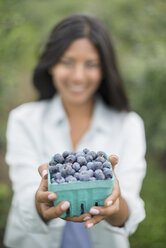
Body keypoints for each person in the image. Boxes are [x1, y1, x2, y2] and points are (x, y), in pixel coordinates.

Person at [4, 14, 146, 248]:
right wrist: (40, 204)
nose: (78, 76)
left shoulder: (128, 124)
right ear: (51, 64)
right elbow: (23, 197)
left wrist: (116, 204)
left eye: (91, 64)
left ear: (104, 69)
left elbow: (131, 208)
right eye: (67, 62)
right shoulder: (24, 119)